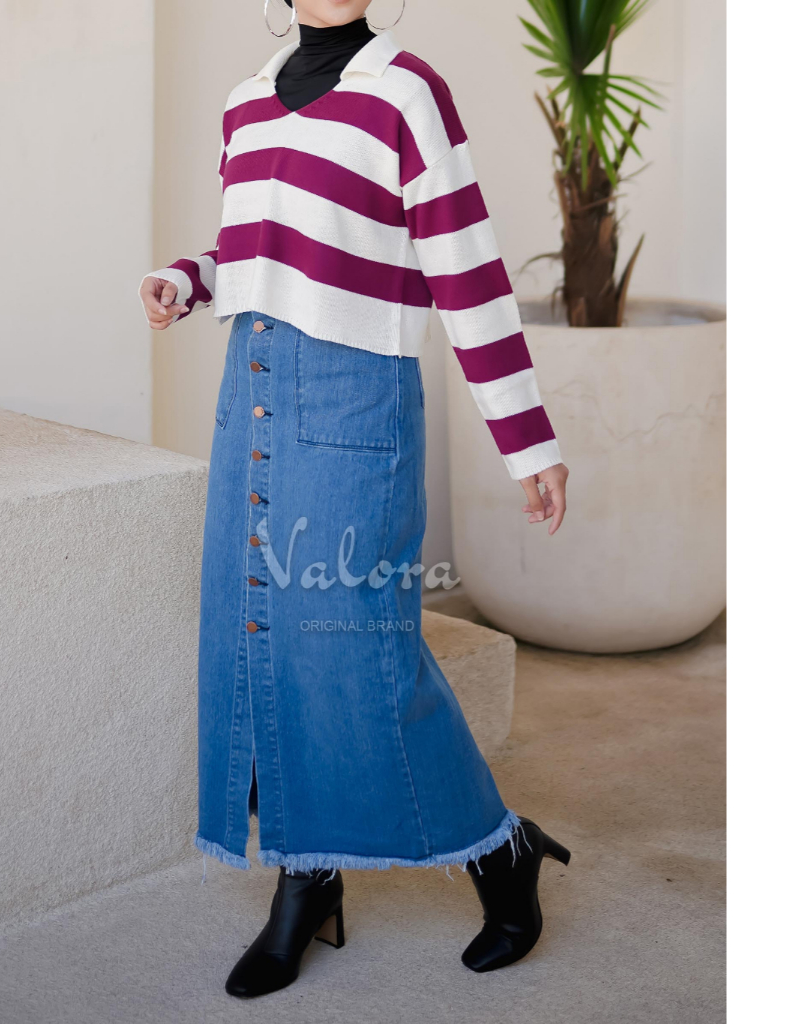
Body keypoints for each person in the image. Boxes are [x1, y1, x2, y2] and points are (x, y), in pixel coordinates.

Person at [139, 0, 570, 998]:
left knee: (362, 647)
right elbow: (262, 254)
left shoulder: (407, 92)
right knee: (263, 639)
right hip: (252, 394)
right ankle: (307, 882)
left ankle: (500, 851)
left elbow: (466, 270)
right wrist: (187, 278)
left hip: (355, 401)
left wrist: (525, 437)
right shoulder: (245, 104)